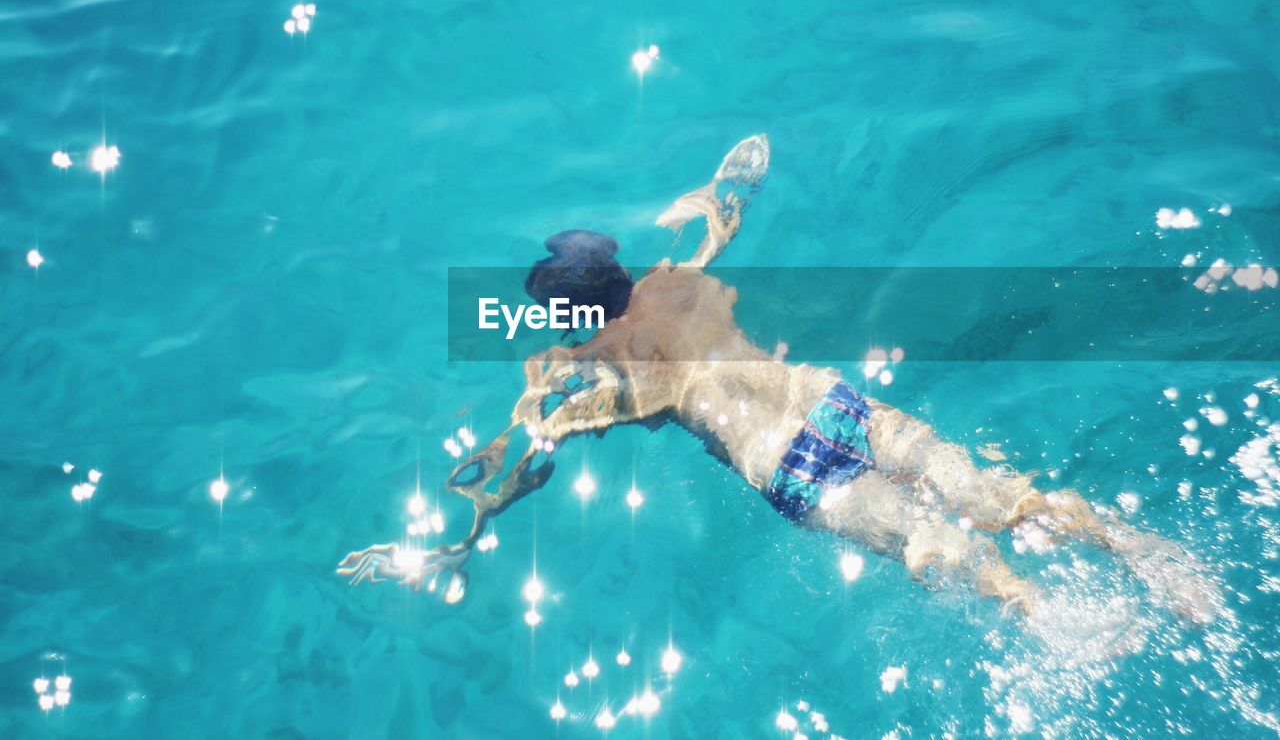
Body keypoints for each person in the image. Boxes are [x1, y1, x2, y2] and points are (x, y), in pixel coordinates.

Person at [338, 136, 1219, 622]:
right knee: (988, 490)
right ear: (617, 270)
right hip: (831, 403)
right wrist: (736, 175)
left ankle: (1040, 611)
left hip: (782, 465)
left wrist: (444, 546)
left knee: (935, 547)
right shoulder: (674, 279)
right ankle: (1136, 551)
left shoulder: (577, 371)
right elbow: (719, 218)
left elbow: (508, 468)